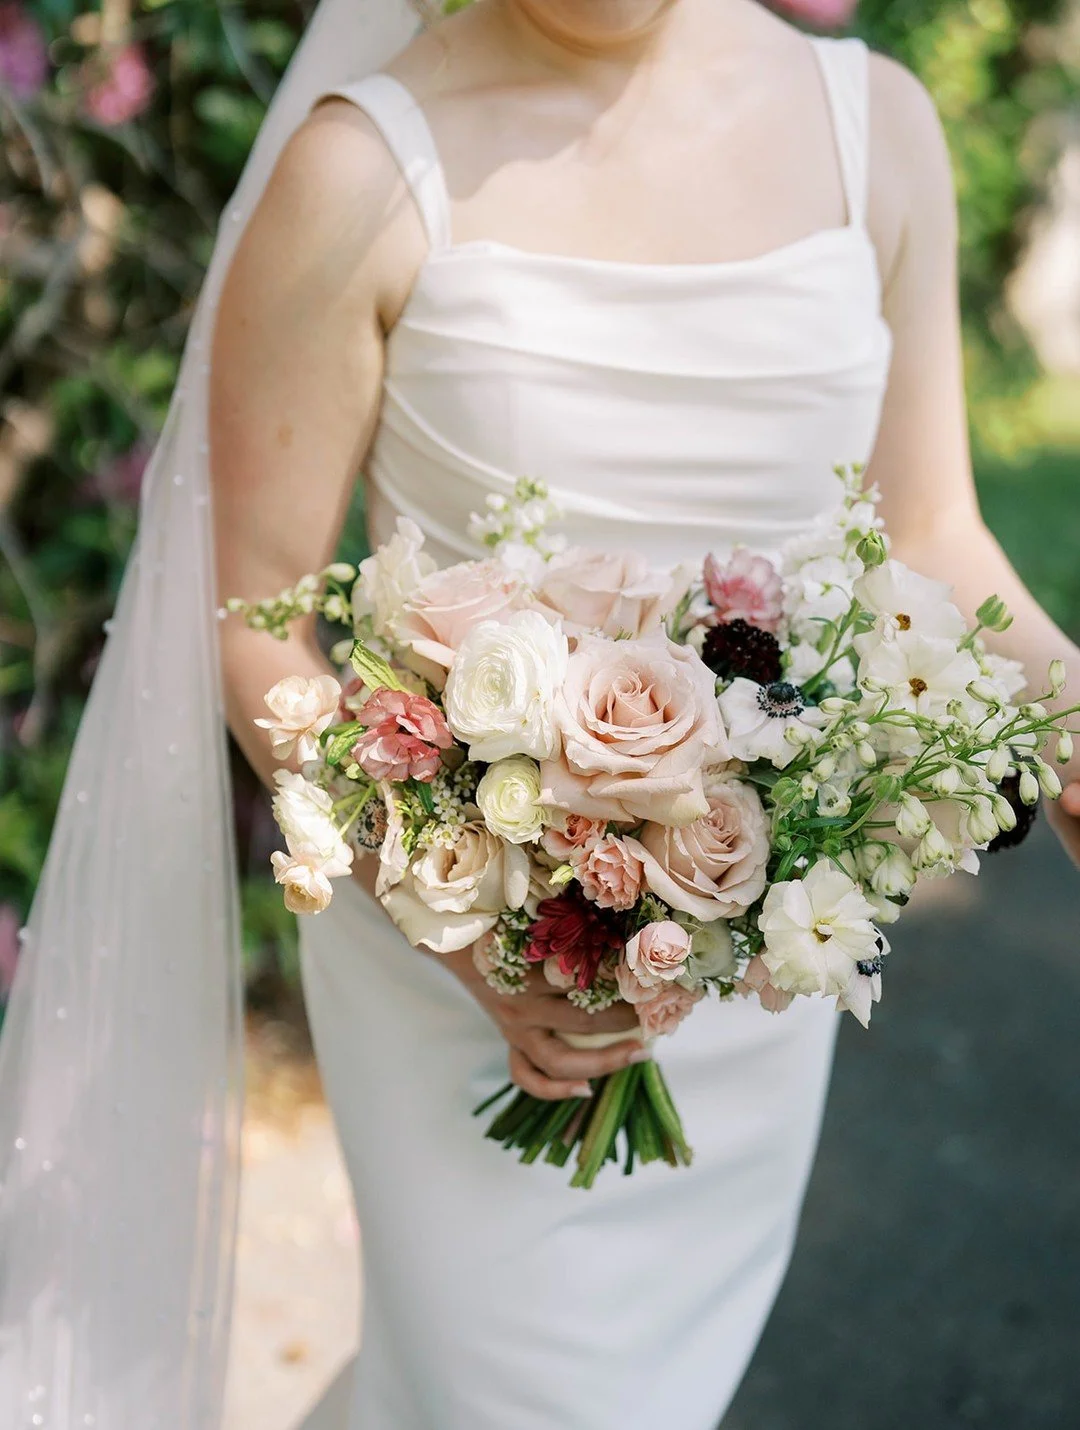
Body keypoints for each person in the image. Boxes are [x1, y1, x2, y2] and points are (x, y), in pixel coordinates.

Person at [2, 2, 1077, 1428]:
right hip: (465, 941)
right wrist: (462, 912)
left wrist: (1065, 709)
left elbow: (933, 520)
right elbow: (249, 608)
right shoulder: (358, 175)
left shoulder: (876, 133)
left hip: (756, 943)